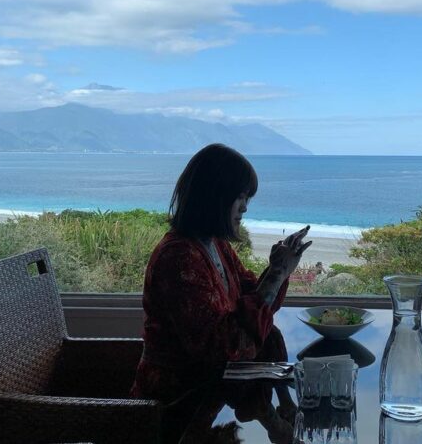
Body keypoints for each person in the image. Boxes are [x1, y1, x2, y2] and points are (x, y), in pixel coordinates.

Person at [130, 143, 312, 401]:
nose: (245, 207)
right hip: (176, 404)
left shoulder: (214, 244)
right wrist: (278, 273)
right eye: (240, 197)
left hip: (213, 393)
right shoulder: (180, 258)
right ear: (214, 196)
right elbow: (228, 349)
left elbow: (252, 298)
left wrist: (277, 268)